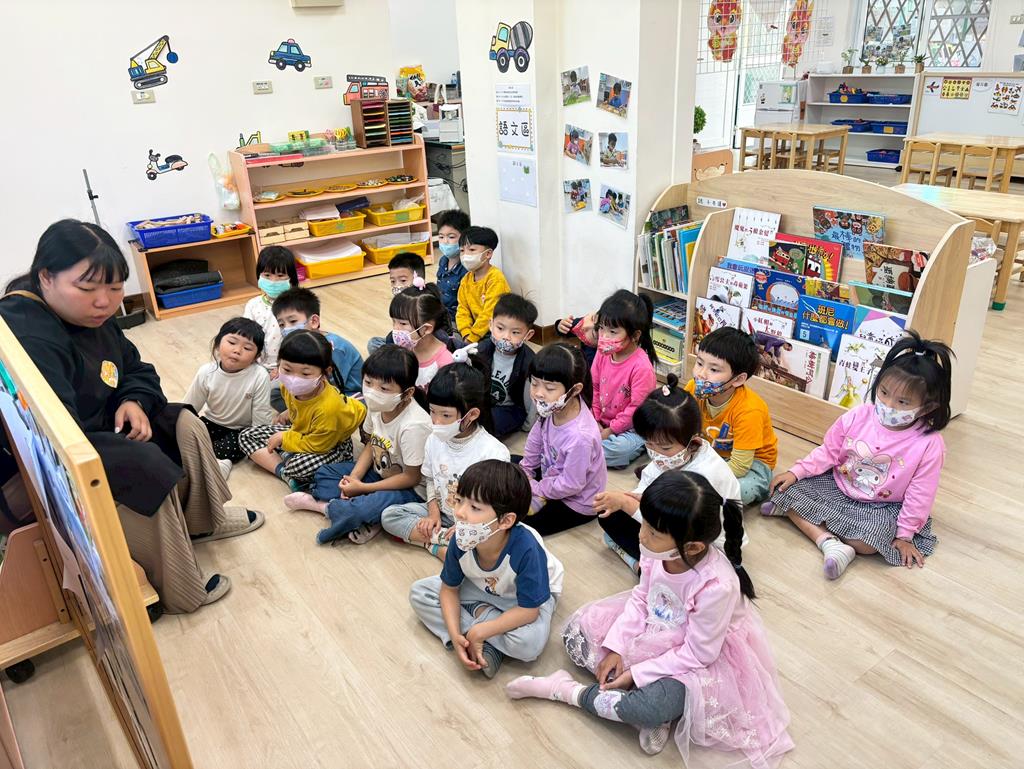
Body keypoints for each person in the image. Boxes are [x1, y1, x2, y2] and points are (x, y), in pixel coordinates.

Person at [0, 219, 263, 613]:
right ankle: (177, 586)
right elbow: (54, 436)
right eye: (87, 288)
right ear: (46, 278)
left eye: (115, 288)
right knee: (141, 463)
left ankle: (203, 522)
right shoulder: (29, 332)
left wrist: (134, 400)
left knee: (185, 422)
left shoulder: (91, 316)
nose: (104, 302)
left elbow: (137, 368)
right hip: (50, 454)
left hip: (100, 425)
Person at [507, 471, 793, 765]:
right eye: (644, 523)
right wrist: (616, 647)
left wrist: (636, 673)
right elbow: (642, 598)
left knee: (649, 707)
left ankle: (566, 691)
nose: (642, 535)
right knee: (575, 637)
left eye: (654, 532)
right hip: (656, 627)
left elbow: (699, 654)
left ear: (693, 546)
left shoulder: (716, 586)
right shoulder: (657, 551)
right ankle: (639, 704)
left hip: (697, 657)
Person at [764, 331, 952, 579]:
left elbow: (921, 493)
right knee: (784, 488)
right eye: (884, 392)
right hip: (839, 485)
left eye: (903, 402)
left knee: (867, 544)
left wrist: (905, 535)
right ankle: (829, 543)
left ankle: (816, 527)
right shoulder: (859, 414)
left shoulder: (929, 444)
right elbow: (829, 451)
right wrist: (797, 472)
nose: (889, 405)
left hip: (882, 505)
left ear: (928, 407)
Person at [409, 459, 564, 679]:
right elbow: (449, 590)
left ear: (505, 521)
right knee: (419, 593)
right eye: (459, 500)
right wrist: (455, 635)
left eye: (475, 507)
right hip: (481, 586)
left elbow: (529, 611)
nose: (460, 513)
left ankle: (481, 631)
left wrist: (481, 630)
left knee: (529, 644)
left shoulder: (527, 549)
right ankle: (483, 638)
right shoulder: (463, 537)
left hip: (524, 599)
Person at [286, 345, 432, 545]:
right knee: (325, 473)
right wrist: (354, 478)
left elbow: (411, 477)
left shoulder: (414, 426)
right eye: (368, 382)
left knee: (362, 508)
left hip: (409, 489)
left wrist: (363, 487)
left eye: (384, 388)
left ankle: (324, 507)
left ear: (407, 394)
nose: (372, 392)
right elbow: (372, 443)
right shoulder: (377, 405)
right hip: (379, 473)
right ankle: (365, 515)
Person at [594, 375, 740, 574]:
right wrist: (627, 498)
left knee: (623, 517)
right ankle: (645, 564)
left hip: (698, 545)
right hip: (669, 528)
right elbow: (647, 488)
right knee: (609, 513)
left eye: (664, 447)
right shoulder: (673, 456)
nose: (655, 453)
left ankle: (645, 567)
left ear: (694, 441)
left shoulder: (704, 475)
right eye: (649, 444)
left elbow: (672, 525)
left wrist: (627, 503)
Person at [381, 361, 509, 560]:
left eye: (446, 415)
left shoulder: (493, 453)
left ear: (472, 415)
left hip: (473, 522)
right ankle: (443, 544)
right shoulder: (434, 439)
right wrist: (433, 514)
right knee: (389, 516)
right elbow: (431, 480)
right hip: (442, 513)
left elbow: (490, 508)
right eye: (432, 411)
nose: (436, 421)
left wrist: (463, 527)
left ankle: (431, 543)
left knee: (494, 539)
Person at [237, 330, 365, 488]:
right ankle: (286, 473)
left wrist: (284, 439)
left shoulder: (330, 408)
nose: (294, 379)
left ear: (325, 372)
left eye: (305, 373)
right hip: (301, 431)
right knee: (245, 435)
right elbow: (299, 411)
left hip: (331, 444)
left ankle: (286, 463)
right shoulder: (287, 386)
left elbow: (319, 445)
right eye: (287, 369)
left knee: (298, 466)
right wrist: (288, 415)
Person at [520, 343, 606, 535]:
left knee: (520, 524)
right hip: (551, 475)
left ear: (574, 390)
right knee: (508, 464)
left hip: (576, 501)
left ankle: (537, 498)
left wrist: (536, 487)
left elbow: (571, 484)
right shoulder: (552, 405)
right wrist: (526, 471)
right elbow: (536, 439)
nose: (539, 393)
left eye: (549, 387)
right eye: (534, 383)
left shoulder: (580, 437)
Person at [686, 327, 778, 505]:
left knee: (738, 491)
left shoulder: (750, 410)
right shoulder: (693, 387)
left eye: (714, 369)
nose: (701, 374)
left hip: (752, 464)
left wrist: (700, 476)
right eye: (699, 363)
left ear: (738, 379)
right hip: (712, 451)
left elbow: (740, 466)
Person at [183, 317, 275, 480]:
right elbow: (189, 406)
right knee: (184, 439)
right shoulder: (206, 372)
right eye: (232, 342)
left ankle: (219, 466)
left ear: (256, 356)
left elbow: (261, 414)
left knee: (224, 448)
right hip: (210, 422)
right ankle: (204, 464)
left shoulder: (259, 376)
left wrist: (257, 441)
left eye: (247, 348)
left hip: (240, 430)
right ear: (218, 343)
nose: (237, 350)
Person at [592, 290, 658, 469]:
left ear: (635, 336)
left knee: (619, 449)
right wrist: (595, 419)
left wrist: (610, 431)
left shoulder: (642, 367)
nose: (604, 336)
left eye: (613, 332)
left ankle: (586, 451)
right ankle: (588, 449)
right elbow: (594, 387)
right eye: (601, 328)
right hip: (603, 421)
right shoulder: (603, 353)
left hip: (632, 428)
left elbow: (636, 409)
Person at [272, 287, 363, 397]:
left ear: (314, 321)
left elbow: (333, 386)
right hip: (317, 385)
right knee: (275, 391)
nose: (286, 328)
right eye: (281, 324)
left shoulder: (334, 349)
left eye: (293, 321)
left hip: (348, 394)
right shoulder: (301, 344)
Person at [475, 293, 537, 438]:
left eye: (515, 332)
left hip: (511, 407)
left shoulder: (529, 363)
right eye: (500, 328)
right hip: (485, 400)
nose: (506, 337)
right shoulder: (481, 350)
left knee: (490, 424)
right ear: (491, 325)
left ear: (528, 335)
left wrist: (528, 424)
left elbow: (532, 400)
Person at [245, 245, 299, 411]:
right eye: (267, 275)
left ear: (291, 277)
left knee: (270, 393)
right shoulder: (253, 305)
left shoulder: (298, 305)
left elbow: (302, 343)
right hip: (258, 365)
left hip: (290, 367)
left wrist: (282, 367)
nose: (273, 281)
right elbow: (247, 338)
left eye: (280, 275)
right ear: (259, 276)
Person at [389, 281, 454, 390]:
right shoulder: (404, 350)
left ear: (427, 328)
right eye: (393, 322)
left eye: (403, 324)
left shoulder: (444, 362)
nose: (395, 329)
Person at [456, 226, 511, 344]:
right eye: (462, 251)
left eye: (471, 250)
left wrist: (472, 338)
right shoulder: (466, 280)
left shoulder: (496, 278)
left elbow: (490, 313)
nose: (465, 255)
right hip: (475, 332)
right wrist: (466, 333)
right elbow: (462, 309)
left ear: (488, 254)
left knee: (480, 350)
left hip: (497, 331)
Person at [367, 252, 429, 355]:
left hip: (421, 345)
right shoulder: (398, 302)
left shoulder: (424, 302)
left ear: (419, 280)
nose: (397, 286)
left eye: (403, 280)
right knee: (374, 343)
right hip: (404, 342)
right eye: (393, 281)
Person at [434, 209, 471, 327]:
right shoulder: (443, 261)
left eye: (451, 237)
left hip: (455, 320)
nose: (445, 242)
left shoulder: (467, 268)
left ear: (464, 238)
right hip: (439, 313)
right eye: (441, 237)